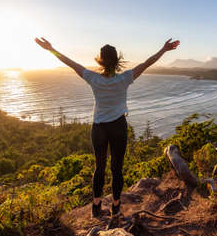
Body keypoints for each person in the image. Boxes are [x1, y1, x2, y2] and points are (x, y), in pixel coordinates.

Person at [35, 37, 180, 217]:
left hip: (99, 128)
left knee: (99, 167)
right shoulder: (125, 78)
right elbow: (147, 62)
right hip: (118, 126)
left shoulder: (93, 78)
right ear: (117, 60)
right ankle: (116, 207)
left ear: (100, 60)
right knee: (117, 168)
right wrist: (164, 49)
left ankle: (96, 206)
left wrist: (50, 49)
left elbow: (70, 62)